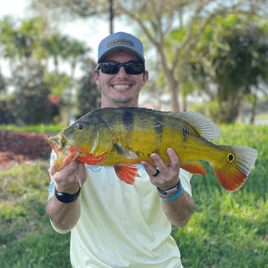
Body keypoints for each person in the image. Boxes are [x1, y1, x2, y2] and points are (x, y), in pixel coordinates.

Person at [47, 32, 195, 268]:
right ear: (97, 75)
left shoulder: (166, 132)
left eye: (133, 67)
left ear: (144, 76)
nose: (122, 74)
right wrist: (66, 191)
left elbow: (182, 218)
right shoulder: (72, 141)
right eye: (110, 66)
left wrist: (170, 187)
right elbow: (61, 225)